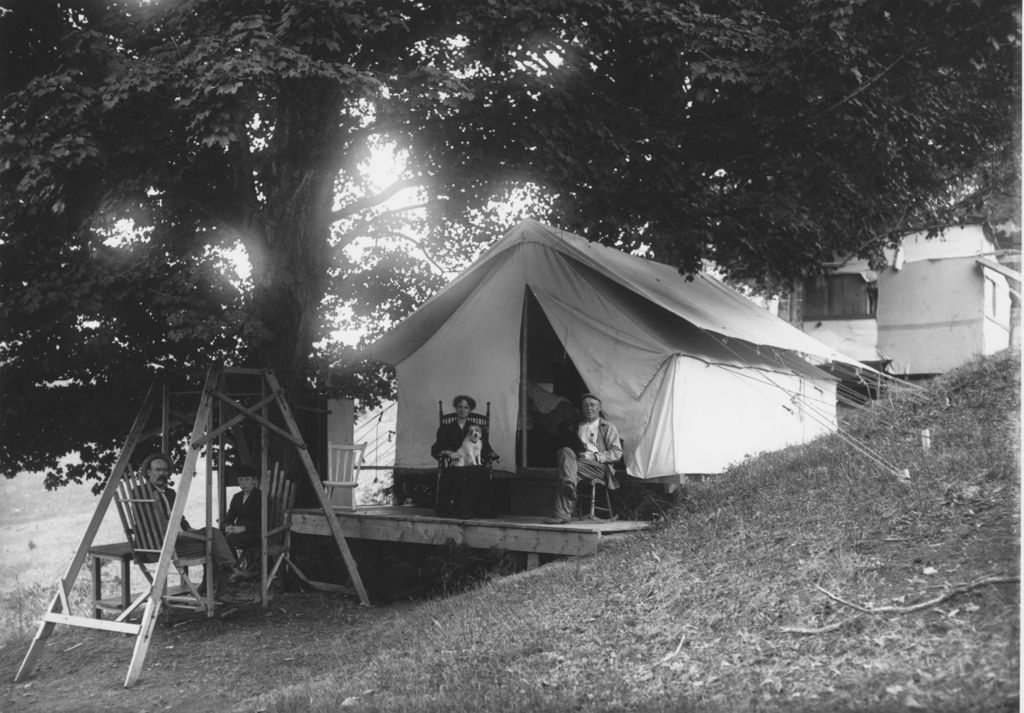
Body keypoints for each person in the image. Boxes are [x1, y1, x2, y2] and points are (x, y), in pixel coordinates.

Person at [137, 452, 248, 597]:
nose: (162, 473)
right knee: (213, 537)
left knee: (212, 535)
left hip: (180, 536)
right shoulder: (140, 493)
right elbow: (148, 520)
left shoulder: (170, 493)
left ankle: (210, 586)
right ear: (149, 472)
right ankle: (228, 573)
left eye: (165, 470)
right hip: (162, 542)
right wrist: (174, 532)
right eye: (158, 470)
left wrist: (188, 529)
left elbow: (179, 517)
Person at [544, 393, 622, 524]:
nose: (588, 408)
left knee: (566, 469)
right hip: (578, 464)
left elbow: (617, 453)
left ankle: (562, 513)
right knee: (564, 451)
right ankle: (569, 485)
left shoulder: (607, 427)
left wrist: (594, 456)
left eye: (592, 405)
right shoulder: (578, 427)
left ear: (600, 408)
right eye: (585, 405)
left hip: (599, 467)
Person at [430, 394, 495, 465]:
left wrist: (492, 454)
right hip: (456, 463)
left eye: (466, 407)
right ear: (456, 408)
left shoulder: (476, 429)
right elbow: (437, 448)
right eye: (460, 407)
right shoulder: (446, 428)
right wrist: (448, 452)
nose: (462, 410)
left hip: (474, 465)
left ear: (470, 410)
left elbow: (485, 446)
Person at [222, 464, 261, 551]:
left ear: (254, 480)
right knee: (214, 538)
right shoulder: (237, 497)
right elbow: (229, 517)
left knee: (227, 540)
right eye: (240, 480)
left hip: (255, 535)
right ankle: (232, 563)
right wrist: (227, 526)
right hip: (237, 533)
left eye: (247, 479)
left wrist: (244, 528)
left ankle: (230, 564)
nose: (243, 483)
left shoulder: (260, 497)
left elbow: (262, 523)